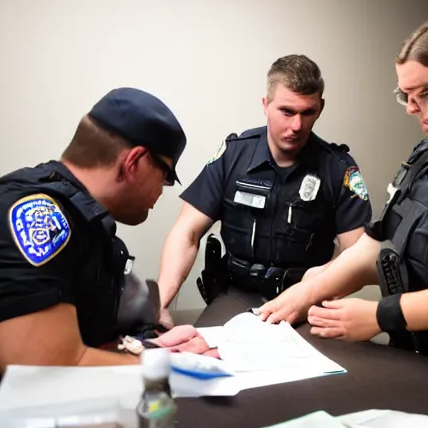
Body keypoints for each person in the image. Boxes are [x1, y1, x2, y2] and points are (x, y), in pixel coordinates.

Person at [0, 87, 186, 428]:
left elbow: (86, 337)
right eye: (166, 175)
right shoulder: (38, 218)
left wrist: (151, 348)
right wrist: (167, 369)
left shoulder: (88, 225)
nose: (163, 190)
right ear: (134, 161)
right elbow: (42, 373)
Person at [258, 13, 428, 362]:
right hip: (420, 354)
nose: (411, 108)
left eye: (426, 91)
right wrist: (309, 291)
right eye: (405, 94)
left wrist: (381, 315)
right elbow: (374, 245)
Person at [158, 55, 372, 326]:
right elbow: (186, 232)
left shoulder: (338, 168)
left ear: (321, 108)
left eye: (308, 113)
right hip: (237, 294)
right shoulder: (234, 156)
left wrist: (309, 293)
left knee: (322, 366)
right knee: (210, 355)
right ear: (265, 104)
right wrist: (161, 303)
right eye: (287, 111)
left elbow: (357, 257)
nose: (297, 126)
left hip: (308, 300)